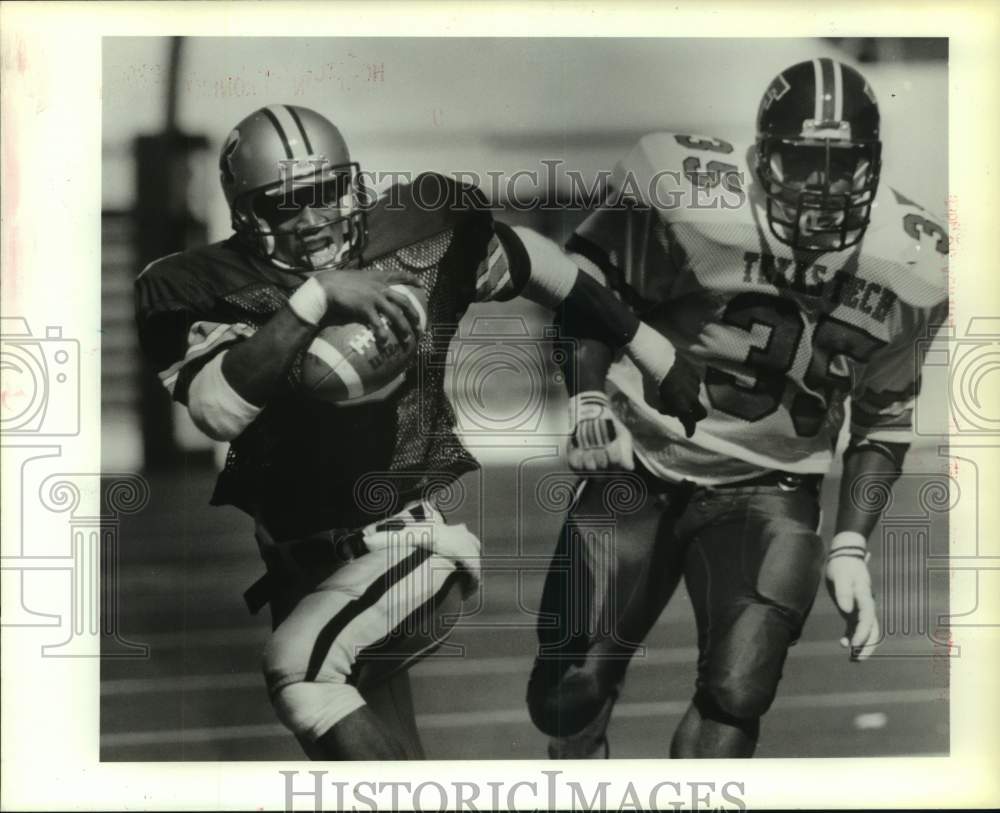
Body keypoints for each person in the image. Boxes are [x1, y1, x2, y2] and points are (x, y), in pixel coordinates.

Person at [134, 104, 702, 760]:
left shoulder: (417, 231)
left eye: (323, 193)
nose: (313, 218)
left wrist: (657, 353)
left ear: (350, 183)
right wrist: (317, 296)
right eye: (286, 204)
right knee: (383, 763)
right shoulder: (200, 285)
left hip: (405, 547)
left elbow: (545, 264)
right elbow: (218, 409)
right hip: (300, 566)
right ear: (244, 213)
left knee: (303, 672)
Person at [526, 58, 949, 758]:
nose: (822, 184)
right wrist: (590, 398)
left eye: (841, 163)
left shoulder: (910, 262)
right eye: (802, 160)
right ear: (762, 156)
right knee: (565, 691)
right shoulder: (694, 201)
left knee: (734, 700)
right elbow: (590, 297)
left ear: (871, 165)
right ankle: (583, 761)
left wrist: (850, 544)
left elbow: (884, 416)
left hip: (771, 489)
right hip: (646, 455)